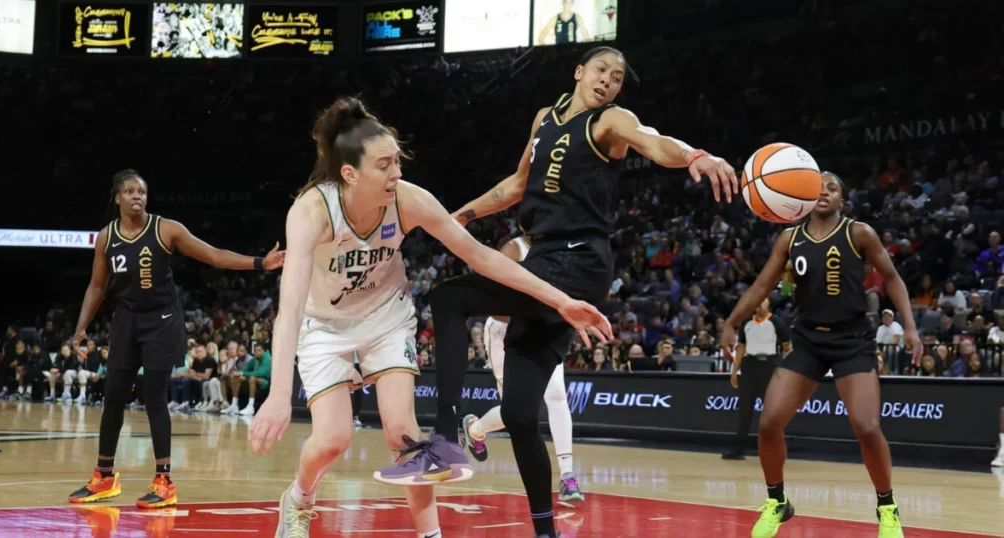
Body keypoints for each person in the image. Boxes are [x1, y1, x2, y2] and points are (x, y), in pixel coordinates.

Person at [379, 45, 738, 538]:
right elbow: (516, 186)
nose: (608, 81)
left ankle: (443, 435)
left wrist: (696, 155)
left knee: (449, 298)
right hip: (543, 257)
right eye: (601, 71)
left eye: (616, 77)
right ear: (578, 72)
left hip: (580, 261)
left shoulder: (611, 121)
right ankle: (546, 532)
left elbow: (654, 143)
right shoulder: (545, 119)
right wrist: (459, 216)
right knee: (521, 415)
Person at [246, 96, 612, 538]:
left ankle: (430, 535)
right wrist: (279, 394)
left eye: (398, 161)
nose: (396, 172)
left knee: (404, 434)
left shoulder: (408, 199)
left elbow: (482, 257)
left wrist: (560, 301)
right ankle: (300, 497)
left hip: (386, 317)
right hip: (323, 326)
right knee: (333, 440)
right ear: (350, 173)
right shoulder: (310, 212)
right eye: (384, 165)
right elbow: (289, 307)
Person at [720, 172, 922, 538]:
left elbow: (891, 277)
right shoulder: (789, 238)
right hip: (808, 341)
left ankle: (887, 507)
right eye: (819, 187)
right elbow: (763, 283)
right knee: (768, 422)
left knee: (866, 427)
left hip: (852, 341)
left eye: (833, 188)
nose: (825, 192)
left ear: (842, 200)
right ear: (804, 195)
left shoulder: (858, 233)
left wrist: (909, 327)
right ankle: (777, 502)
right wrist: (732, 322)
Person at [67, 169, 285, 508]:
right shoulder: (106, 237)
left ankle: (164, 482)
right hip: (125, 319)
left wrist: (261, 262)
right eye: (129, 191)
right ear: (117, 198)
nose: (137, 196)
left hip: (162, 320)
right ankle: (104, 477)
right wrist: (81, 328)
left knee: (154, 400)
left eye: (141, 191)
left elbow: (212, 255)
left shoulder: (166, 229)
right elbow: (97, 286)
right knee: (112, 398)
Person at [461, 231, 585, 502]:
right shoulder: (512, 250)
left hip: (543, 330)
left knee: (556, 396)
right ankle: (475, 429)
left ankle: (567, 476)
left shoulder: (561, 248)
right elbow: (495, 304)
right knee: (516, 412)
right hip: (505, 331)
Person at [722, 297, 789, 460]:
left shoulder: (777, 323)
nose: (759, 305)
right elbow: (741, 348)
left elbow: (787, 347)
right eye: (757, 302)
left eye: (762, 302)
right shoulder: (746, 324)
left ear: (769, 304)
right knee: (744, 411)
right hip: (749, 367)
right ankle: (738, 450)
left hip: (769, 366)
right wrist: (734, 371)